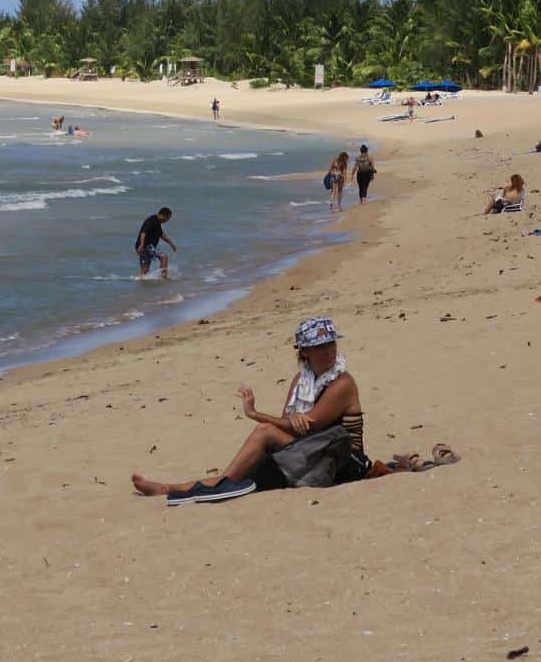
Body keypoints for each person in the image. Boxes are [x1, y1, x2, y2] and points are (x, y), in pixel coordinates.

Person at [132, 317, 368, 503]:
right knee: (247, 468)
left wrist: (256, 414)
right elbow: (290, 422)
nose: (329, 351)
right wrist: (290, 420)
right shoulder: (301, 380)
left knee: (263, 434)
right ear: (305, 351)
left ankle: (200, 486)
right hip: (312, 450)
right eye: (321, 346)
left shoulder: (342, 383)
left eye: (331, 344)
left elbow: (310, 424)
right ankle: (169, 487)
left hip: (344, 461)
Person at [136, 207, 177, 279]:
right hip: (146, 246)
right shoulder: (151, 221)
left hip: (145, 247)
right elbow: (143, 232)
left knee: (145, 271)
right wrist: (142, 244)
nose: (167, 220)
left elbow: (161, 234)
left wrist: (171, 243)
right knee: (164, 257)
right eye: (167, 218)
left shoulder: (157, 222)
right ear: (162, 215)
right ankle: (164, 277)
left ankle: (137, 281)